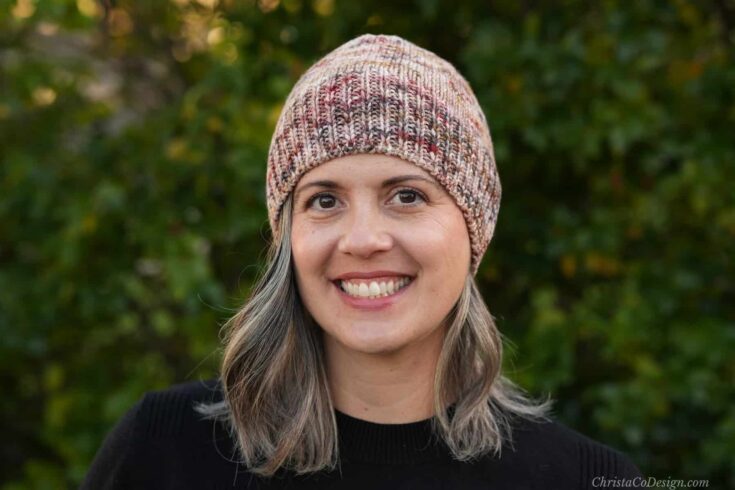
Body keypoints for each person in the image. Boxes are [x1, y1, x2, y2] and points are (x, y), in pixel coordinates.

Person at [82, 34, 644, 489]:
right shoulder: (163, 452)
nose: (363, 239)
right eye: (325, 201)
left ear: (475, 227)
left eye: (407, 196)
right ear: (288, 236)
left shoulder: (584, 479)